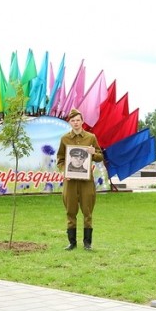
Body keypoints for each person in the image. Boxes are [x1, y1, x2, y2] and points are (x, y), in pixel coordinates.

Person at [56, 108, 104, 251]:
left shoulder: (91, 137)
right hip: (70, 182)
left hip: (86, 182)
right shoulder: (64, 139)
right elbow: (60, 160)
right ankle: (72, 242)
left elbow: (100, 157)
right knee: (70, 211)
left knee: (87, 211)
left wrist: (93, 152)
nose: (76, 123)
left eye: (78, 120)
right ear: (69, 122)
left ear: (82, 121)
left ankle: (87, 243)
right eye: (73, 120)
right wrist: (65, 171)